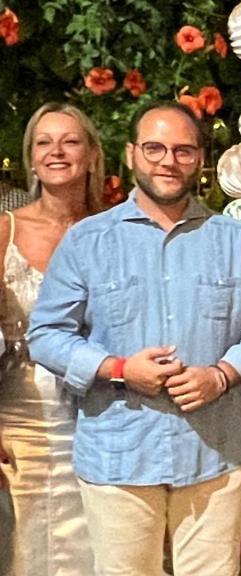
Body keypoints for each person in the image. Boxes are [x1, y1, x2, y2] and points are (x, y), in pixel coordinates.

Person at [27, 101, 241, 576]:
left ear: (199, 160)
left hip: (213, 455)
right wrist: (119, 368)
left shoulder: (234, 239)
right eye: (154, 148)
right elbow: (46, 334)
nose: (168, 161)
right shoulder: (89, 241)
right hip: (120, 457)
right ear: (131, 154)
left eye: (183, 151)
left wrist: (222, 374)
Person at [0, 102, 107, 575]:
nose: (56, 151)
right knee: (24, 543)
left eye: (70, 140)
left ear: (91, 154)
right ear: (31, 158)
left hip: (103, 409)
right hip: (21, 415)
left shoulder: (117, 229)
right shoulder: (5, 229)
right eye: (44, 142)